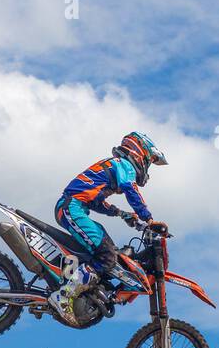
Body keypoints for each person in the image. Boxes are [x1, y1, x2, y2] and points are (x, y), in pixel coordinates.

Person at [48, 131, 168, 322]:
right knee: (106, 256)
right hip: (72, 208)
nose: (147, 167)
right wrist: (148, 219)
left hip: (74, 207)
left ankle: (84, 289)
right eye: (149, 161)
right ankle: (63, 297)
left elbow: (96, 201)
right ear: (141, 153)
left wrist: (122, 214)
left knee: (109, 249)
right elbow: (130, 189)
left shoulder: (112, 166)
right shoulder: (124, 165)